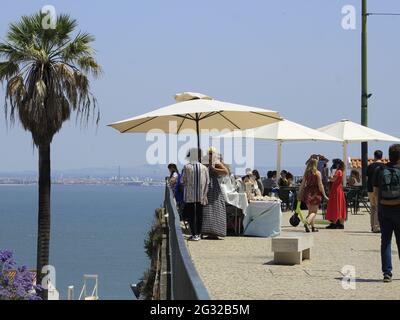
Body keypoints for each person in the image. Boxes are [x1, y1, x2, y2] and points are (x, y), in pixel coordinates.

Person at [373, 144, 400, 283]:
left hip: (384, 210)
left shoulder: (380, 170)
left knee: (386, 242)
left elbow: (376, 193)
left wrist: (379, 209)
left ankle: (387, 273)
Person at [181, 148, 210, 241]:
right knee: (199, 214)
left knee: (191, 215)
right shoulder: (204, 168)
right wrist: (204, 194)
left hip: (189, 195)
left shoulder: (186, 167)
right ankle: (198, 233)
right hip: (201, 195)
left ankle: (193, 234)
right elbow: (207, 182)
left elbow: (183, 181)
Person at [201, 148, 229, 239]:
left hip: (213, 186)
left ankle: (214, 232)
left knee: (214, 208)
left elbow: (225, 172)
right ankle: (207, 231)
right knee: (206, 209)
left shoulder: (216, 162)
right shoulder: (204, 161)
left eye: (211, 153)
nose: (209, 155)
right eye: (209, 153)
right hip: (206, 186)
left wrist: (213, 168)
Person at [298, 158, 329, 232]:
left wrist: (299, 193)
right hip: (315, 193)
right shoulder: (317, 173)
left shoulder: (306, 173)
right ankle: (307, 222)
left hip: (307, 192)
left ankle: (312, 227)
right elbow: (320, 185)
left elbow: (302, 185)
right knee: (314, 212)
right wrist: (324, 195)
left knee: (310, 211)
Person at [367, 150, 385, 233]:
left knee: (373, 208)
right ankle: (377, 226)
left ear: (374, 156)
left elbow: (367, 178)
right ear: (382, 156)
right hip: (379, 190)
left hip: (370, 189)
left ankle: (372, 226)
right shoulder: (384, 166)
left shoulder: (370, 166)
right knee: (378, 208)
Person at [326, 159, 347, 229]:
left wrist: (328, 176)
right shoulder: (341, 171)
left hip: (336, 190)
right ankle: (341, 223)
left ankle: (334, 223)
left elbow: (333, 179)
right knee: (340, 205)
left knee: (335, 205)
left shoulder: (338, 171)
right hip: (339, 190)